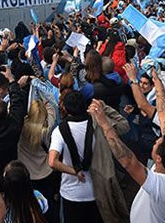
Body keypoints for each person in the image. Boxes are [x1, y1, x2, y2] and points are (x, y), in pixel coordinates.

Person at [92, 68, 165, 223]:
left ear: (158, 158)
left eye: (158, 143)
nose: (157, 140)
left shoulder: (164, 188)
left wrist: (105, 124)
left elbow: (129, 161)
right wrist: (158, 83)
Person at [48, 91, 130, 223]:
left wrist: (75, 171)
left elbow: (52, 162)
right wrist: (104, 108)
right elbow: (124, 126)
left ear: (65, 108)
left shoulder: (59, 131)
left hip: (71, 192)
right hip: (97, 190)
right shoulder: (99, 123)